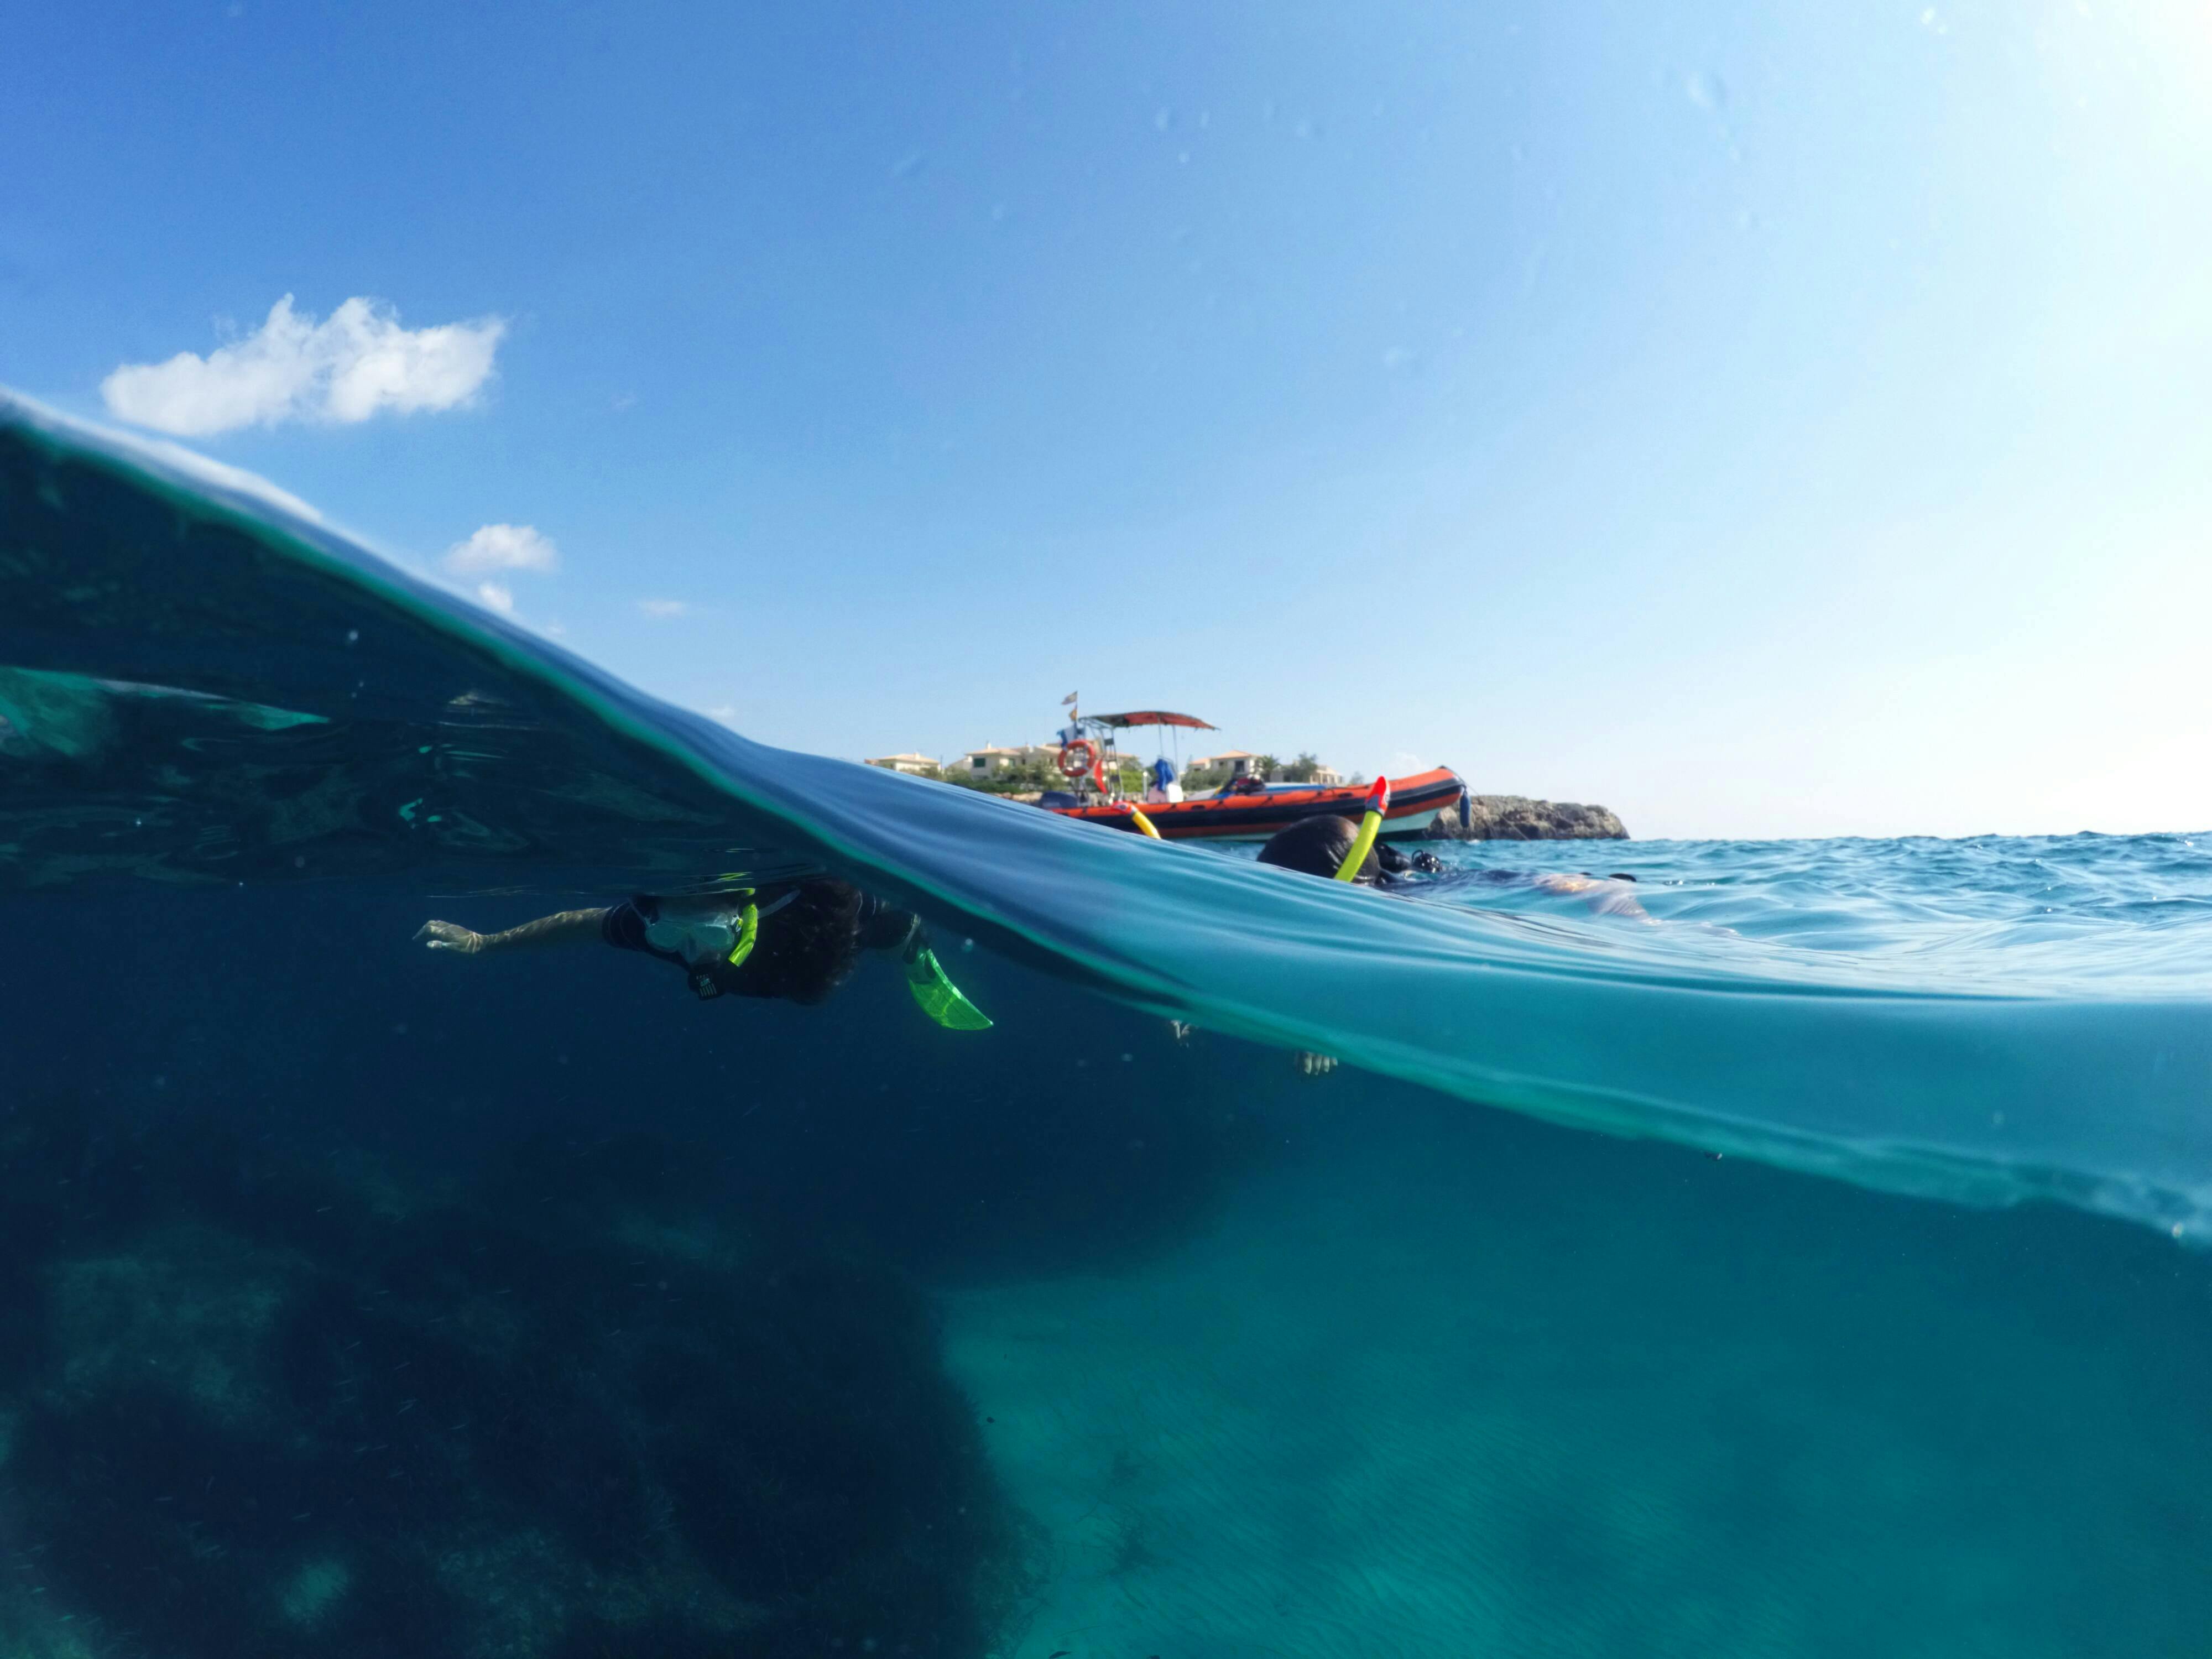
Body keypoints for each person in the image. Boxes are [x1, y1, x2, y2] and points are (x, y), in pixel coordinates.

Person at [415, 878, 990, 1026]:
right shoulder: (654, 922)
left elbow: (815, 987)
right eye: (671, 938)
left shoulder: (814, 907)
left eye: (704, 935)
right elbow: (584, 923)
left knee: (893, 933)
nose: (685, 951)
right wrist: (484, 945)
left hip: (813, 944)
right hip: (751, 957)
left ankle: (919, 958)